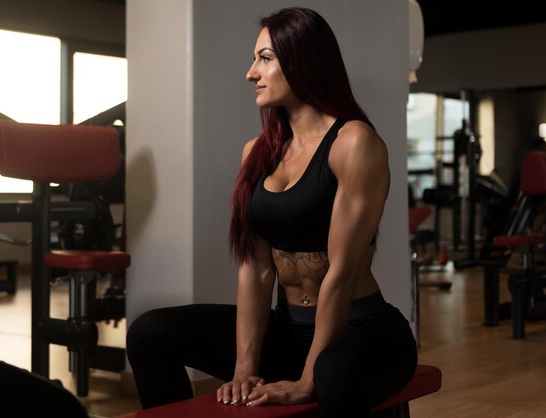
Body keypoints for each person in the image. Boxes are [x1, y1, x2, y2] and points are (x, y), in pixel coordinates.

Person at [126, 7, 417, 418]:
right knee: (150, 333)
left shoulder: (353, 143)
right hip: (289, 330)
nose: (251, 72)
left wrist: (307, 381)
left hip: (363, 332)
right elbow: (255, 268)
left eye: (265, 58)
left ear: (302, 59)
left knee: (330, 373)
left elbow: (341, 272)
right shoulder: (257, 153)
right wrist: (245, 368)